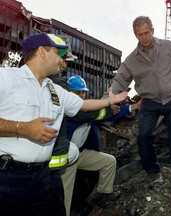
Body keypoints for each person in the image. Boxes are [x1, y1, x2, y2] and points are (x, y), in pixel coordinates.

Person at [0, 32, 127, 216]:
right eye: (56, 53)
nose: (61, 60)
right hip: (8, 179)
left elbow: (83, 105)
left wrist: (109, 101)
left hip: (45, 177)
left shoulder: (55, 90)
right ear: (42, 52)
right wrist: (23, 128)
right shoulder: (5, 78)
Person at [109, 15, 171, 212]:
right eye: (140, 34)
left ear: (152, 30)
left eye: (147, 33)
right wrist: (111, 96)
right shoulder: (132, 59)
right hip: (149, 101)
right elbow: (119, 80)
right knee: (143, 136)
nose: (144, 37)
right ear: (135, 35)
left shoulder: (169, 47)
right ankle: (151, 169)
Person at [61, 75, 142, 216]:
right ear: (69, 93)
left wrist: (133, 107)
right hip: (65, 158)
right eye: (77, 92)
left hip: (79, 154)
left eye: (83, 92)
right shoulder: (67, 110)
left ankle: (104, 193)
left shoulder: (88, 108)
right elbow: (93, 114)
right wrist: (108, 106)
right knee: (65, 197)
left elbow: (105, 115)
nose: (81, 95)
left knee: (109, 161)